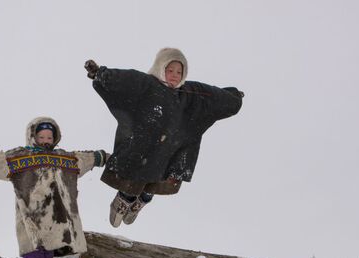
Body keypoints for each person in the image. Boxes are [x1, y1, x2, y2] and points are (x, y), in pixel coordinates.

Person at [85, 47, 244, 227]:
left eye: (179, 72)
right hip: (143, 145)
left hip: (170, 149)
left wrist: (234, 96)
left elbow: (215, 97)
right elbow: (126, 81)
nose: (175, 75)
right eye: (170, 70)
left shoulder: (191, 93)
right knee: (136, 177)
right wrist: (100, 74)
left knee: (156, 181)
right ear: (161, 67)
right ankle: (124, 200)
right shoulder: (147, 84)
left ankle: (142, 201)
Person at [0, 116, 107, 258]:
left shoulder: (64, 158)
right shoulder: (21, 157)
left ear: (55, 138)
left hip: (56, 217)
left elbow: (83, 159)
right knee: (33, 247)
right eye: (41, 137)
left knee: (50, 247)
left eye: (49, 137)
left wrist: (100, 158)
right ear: (32, 136)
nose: (46, 140)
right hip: (31, 213)